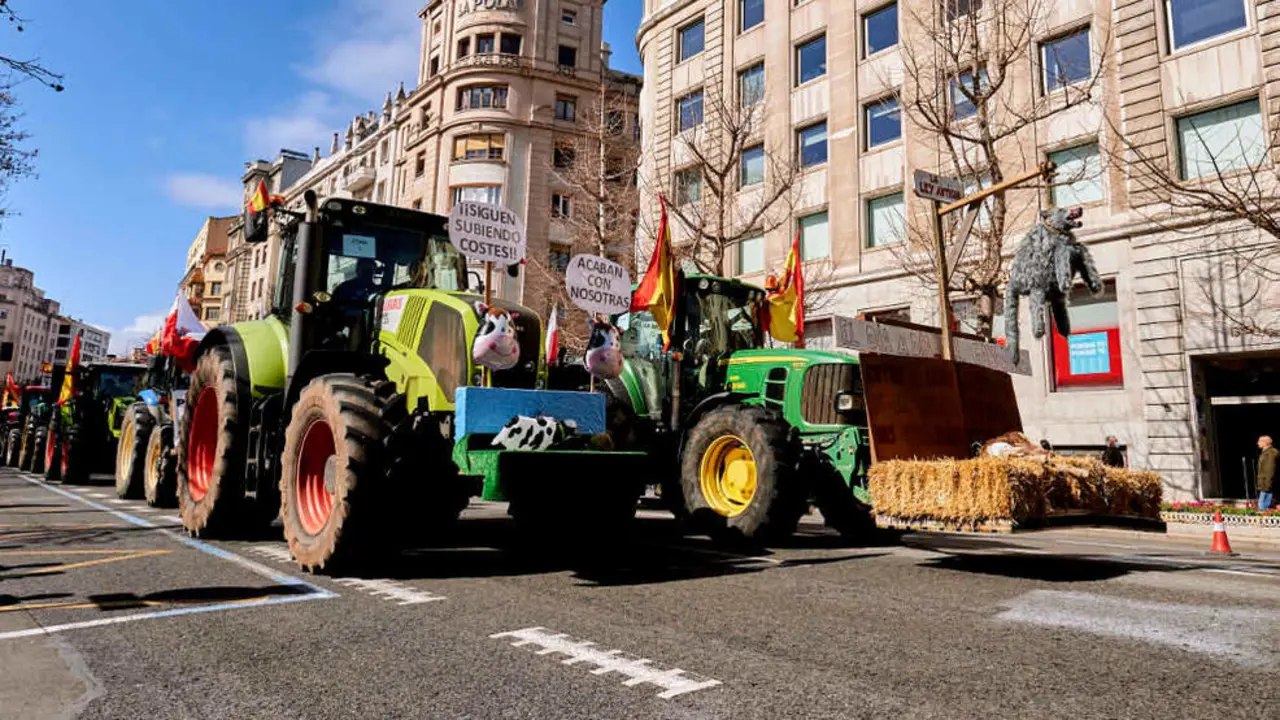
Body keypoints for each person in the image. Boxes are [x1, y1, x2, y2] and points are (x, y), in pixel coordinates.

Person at [1257, 435, 1277, 511]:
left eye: (1260, 441)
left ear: (1266, 443)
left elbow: (1269, 469)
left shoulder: (1270, 454)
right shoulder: (1265, 453)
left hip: (1266, 483)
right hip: (1265, 482)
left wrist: (1267, 483)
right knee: (1264, 505)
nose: (1258, 443)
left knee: (1262, 505)